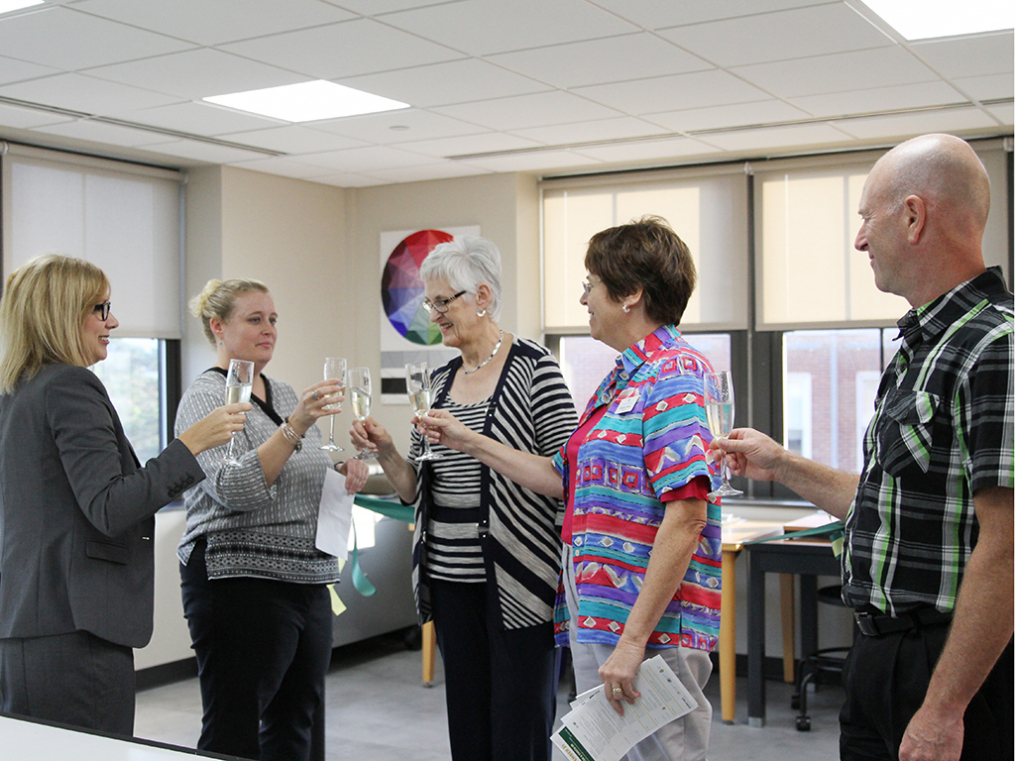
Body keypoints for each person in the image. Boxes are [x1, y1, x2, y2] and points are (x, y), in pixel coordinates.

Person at [712, 134, 1013, 761]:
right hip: (881, 656)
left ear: (912, 215)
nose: (858, 240)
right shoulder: (922, 345)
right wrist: (781, 463)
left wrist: (944, 709)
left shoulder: (997, 346)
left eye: (865, 217)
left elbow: (1007, 550)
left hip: (950, 663)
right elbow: (887, 504)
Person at [415, 218, 723, 761]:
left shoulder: (673, 373)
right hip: (601, 616)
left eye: (591, 284)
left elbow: (687, 516)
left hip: (647, 631)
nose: (583, 297)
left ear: (629, 294)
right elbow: (560, 475)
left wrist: (631, 641)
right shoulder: (623, 378)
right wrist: (469, 441)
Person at [350, 236, 577, 761]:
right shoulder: (440, 379)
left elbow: (568, 476)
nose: (435, 315)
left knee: (519, 727)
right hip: (450, 580)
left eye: (443, 302)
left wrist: (471, 439)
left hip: (519, 579)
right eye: (430, 304)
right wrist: (386, 449)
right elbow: (413, 489)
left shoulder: (534, 368)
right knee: (469, 729)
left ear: (482, 295)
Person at [0, 254, 247, 735]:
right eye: (100, 309)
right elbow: (110, 507)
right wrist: (190, 445)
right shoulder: (71, 385)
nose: (112, 321)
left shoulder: (17, 391)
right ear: (61, 313)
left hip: (26, 623)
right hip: (75, 629)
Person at [176, 278, 369, 761]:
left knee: (297, 720)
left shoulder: (281, 392)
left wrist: (344, 470)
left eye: (274, 319)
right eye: (255, 319)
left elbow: (297, 473)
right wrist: (297, 425)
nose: (269, 329)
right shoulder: (205, 397)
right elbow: (234, 488)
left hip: (307, 580)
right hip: (239, 581)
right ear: (218, 327)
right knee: (235, 725)